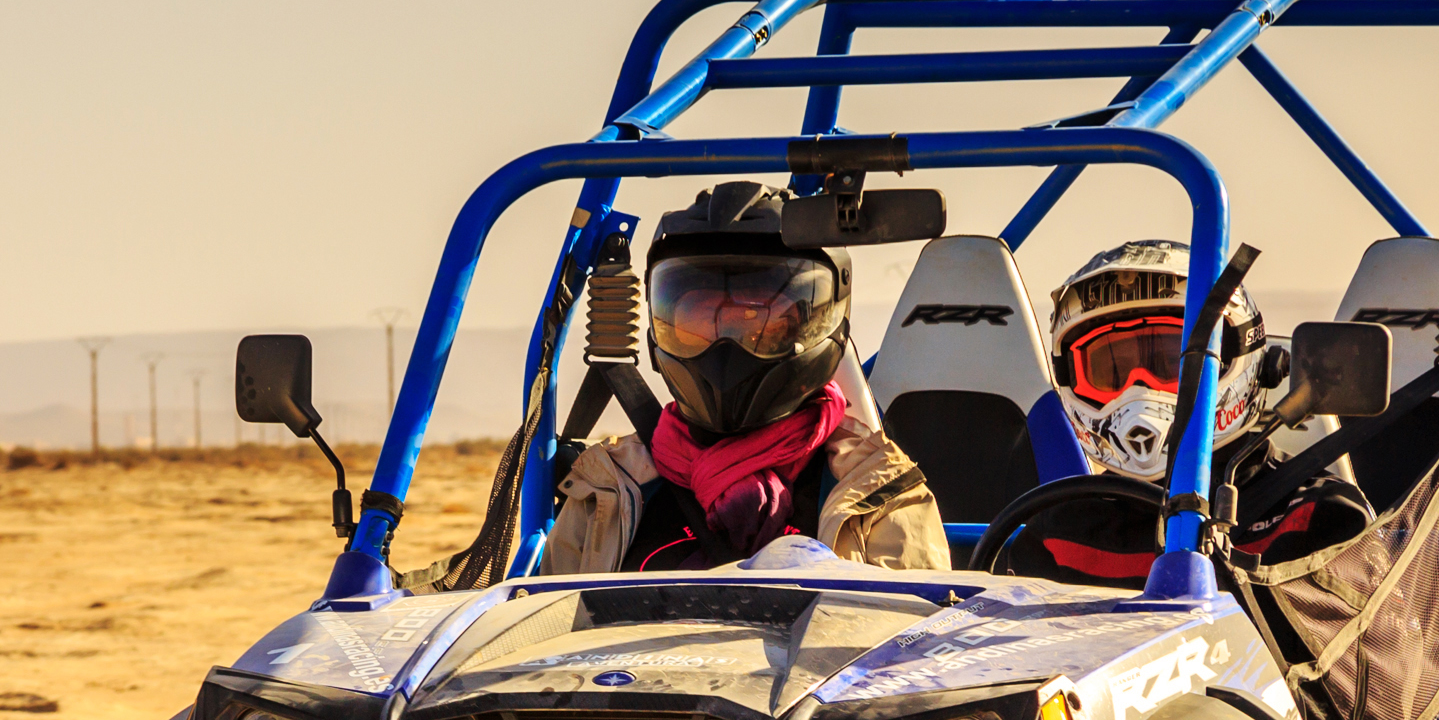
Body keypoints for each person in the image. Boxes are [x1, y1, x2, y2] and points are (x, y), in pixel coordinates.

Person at [536, 182, 947, 574]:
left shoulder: (878, 496)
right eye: (699, 322)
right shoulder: (607, 487)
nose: (724, 350)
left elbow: (909, 638)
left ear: (822, 329)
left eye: (758, 324)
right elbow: (547, 632)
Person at [1047, 238, 1267, 482]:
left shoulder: (1299, 506)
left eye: (1172, 363)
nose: (1138, 392)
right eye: (1112, 371)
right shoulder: (1073, 517)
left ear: (1233, 354)